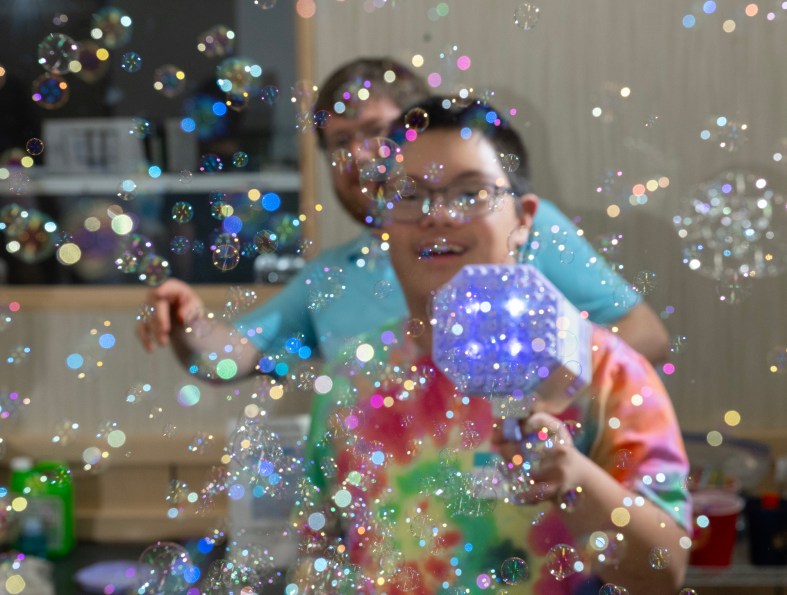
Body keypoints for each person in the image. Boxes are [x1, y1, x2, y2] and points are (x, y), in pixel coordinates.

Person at [295, 96, 690, 594]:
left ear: (524, 218)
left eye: (469, 193)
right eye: (408, 194)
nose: (436, 215)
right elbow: (318, 553)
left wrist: (572, 479)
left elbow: (665, 571)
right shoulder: (355, 375)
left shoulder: (607, 368)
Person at [136, 57, 669, 379]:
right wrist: (189, 325)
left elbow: (645, 334)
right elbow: (228, 359)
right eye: (340, 143)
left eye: (378, 132)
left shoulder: (515, 225)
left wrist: (537, 377)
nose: (361, 155)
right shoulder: (331, 277)